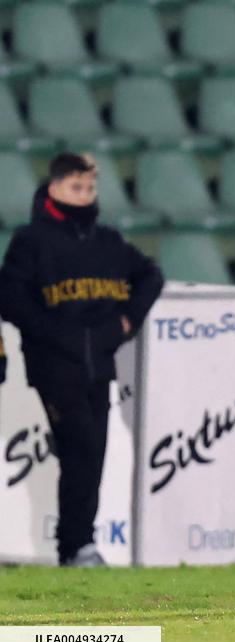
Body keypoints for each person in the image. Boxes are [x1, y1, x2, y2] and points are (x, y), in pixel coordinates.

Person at [0, 152, 163, 566]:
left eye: (89, 187)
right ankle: (76, 546)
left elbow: (150, 275)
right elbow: (11, 299)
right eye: (76, 187)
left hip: (98, 365)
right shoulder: (30, 242)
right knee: (82, 448)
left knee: (91, 453)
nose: (84, 195)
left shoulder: (106, 241)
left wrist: (125, 324)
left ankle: (78, 545)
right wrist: (58, 335)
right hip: (53, 365)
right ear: (54, 188)